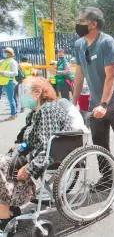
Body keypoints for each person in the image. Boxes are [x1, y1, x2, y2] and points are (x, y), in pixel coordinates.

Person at [73, 7, 114, 192]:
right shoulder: (79, 45)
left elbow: (111, 77)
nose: (77, 23)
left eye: (81, 20)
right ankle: (107, 175)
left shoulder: (107, 42)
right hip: (95, 103)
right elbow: (79, 73)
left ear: (93, 24)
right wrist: (73, 102)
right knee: (99, 142)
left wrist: (104, 104)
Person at [0, 77, 71, 231]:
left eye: (26, 92)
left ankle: (5, 217)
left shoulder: (48, 110)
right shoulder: (35, 112)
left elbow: (47, 147)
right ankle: (8, 209)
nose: (24, 96)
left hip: (44, 156)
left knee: (2, 167)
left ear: (38, 92)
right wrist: (19, 145)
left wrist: (30, 169)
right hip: (31, 153)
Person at [0, 47, 18, 121]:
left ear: (10, 53)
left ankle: (13, 115)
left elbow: (15, 73)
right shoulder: (3, 61)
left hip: (9, 82)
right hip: (3, 81)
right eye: (4, 51)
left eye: (6, 52)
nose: (4, 53)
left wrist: (3, 72)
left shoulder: (12, 62)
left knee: (11, 99)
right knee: (10, 99)